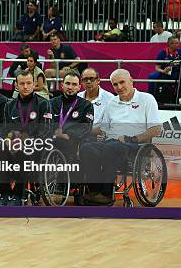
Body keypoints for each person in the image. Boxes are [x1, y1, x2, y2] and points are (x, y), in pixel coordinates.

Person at [80, 69, 162, 204]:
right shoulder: (111, 103)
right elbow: (103, 128)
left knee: (111, 147)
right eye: (115, 84)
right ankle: (94, 191)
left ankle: (106, 194)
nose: (119, 87)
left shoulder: (146, 99)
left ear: (131, 81)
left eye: (122, 82)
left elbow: (156, 129)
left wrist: (132, 138)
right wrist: (81, 131)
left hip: (135, 144)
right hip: (111, 142)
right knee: (87, 148)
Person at [0, 70, 52, 205]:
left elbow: (46, 129)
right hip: (14, 142)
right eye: (22, 83)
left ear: (34, 84)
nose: (25, 86)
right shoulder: (9, 105)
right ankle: (4, 193)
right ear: (16, 85)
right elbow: (5, 130)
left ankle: (18, 194)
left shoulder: (43, 103)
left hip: (37, 144)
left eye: (28, 83)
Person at [49, 70, 94, 161]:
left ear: (79, 87)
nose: (70, 87)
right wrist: (55, 132)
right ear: (62, 85)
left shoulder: (86, 105)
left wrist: (68, 135)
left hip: (73, 142)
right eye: (68, 83)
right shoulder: (52, 103)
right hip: (52, 140)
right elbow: (45, 123)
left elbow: (86, 127)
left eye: (74, 84)